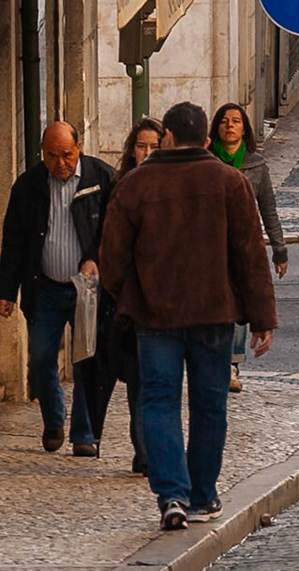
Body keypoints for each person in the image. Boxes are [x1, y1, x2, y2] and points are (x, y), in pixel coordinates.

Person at [99, 101, 278, 531]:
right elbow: (250, 254)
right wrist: (262, 317)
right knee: (209, 405)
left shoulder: (137, 185)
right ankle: (202, 494)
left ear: (169, 137)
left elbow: (112, 259)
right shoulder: (230, 182)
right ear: (207, 138)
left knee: (158, 401)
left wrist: (132, 296)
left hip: (154, 317)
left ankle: (171, 495)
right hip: (212, 314)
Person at [0, 120, 115, 456]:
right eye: (52, 156)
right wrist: (6, 290)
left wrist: (95, 258)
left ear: (78, 147)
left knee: (85, 360)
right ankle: (54, 419)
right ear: (42, 154)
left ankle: (84, 433)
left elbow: (114, 230)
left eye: (66, 154)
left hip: (86, 288)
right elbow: (14, 242)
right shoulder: (28, 186)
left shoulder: (101, 178)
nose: (61, 163)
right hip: (45, 286)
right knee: (40, 359)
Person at [210, 103, 286, 394]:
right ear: (216, 127)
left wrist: (280, 250)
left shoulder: (256, 166)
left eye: (236, 122)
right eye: (224, 121)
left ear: (245, 129)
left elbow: (269, 209)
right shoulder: (205, 161)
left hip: (241, 244)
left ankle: (232, 363)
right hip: (210, 246)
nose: (230, 126)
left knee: (239, 302)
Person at [106, 119, 162, 474]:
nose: (147, 153)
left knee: (158, 383)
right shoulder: (120, 189)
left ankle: (152, 450)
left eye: (155, 147)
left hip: (164, 302)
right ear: (131, 149)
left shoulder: (171, 187)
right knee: (140, 381)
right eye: (142, 146)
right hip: (132, 302)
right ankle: (144, 453)